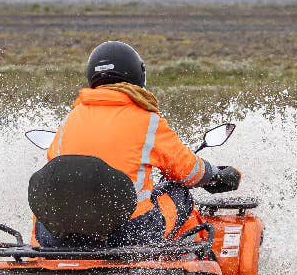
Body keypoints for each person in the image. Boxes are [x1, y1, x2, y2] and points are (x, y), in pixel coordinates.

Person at [29, 41, 242, 249]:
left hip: (59, 237)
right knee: (180, 194)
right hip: (129, 235)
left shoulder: (70, 120)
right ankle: (190, 259)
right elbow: (187, 171)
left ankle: (39, 258)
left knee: (48, 207)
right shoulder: (146, 121)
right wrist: (215, 175)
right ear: (137, 75)